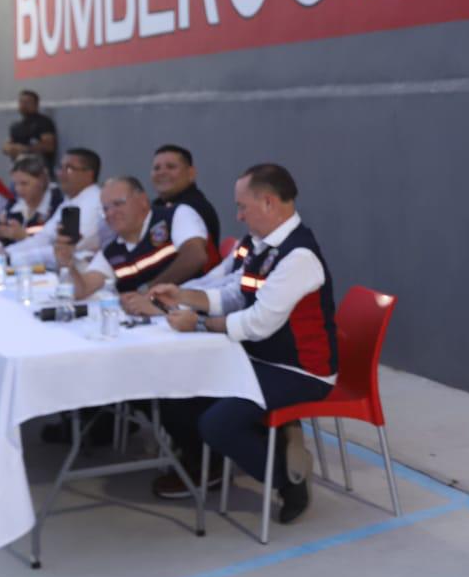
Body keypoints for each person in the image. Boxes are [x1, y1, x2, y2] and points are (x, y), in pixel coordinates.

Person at [148, 164, 335, 523]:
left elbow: (257, 323)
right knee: (178, 395)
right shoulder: (260, 245)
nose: (238, 215)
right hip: (260, 358)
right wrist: (183, 294)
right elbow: (235, 293)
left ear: (267, 203)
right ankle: (220, 462)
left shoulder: (298, 257)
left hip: (299, 371)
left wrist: (198, 323)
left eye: (242, 207)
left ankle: (288, 478)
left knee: (218, 423)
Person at [53, 176, 208, 302]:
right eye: (105, 208)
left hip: (191, 315)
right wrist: (67, 264)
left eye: (118, 204)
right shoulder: (112, 250)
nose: (111, 213)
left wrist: (148, 292)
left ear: (142, 200)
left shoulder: (175, 215)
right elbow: (82, 290)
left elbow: (195, 256)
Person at [0, 148, 103, 268]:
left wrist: (8, 257)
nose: (61, 174)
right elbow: (42, 239)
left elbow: (67, 249)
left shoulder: (93, 203)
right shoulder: (71, 201)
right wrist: (1, 254)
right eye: (60, 168)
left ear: (89, 174)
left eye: (68, 169)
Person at [148, 144, 222, 273]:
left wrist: (147, 289)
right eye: (156, 168)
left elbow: (194, 259)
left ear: (191, 173)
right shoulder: (155, 207)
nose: (162, 172)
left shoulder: (194, 208)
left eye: (171, 167)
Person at [0, 154, 63, 239]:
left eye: (24, 183)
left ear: (41, 180)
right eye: (15, 184)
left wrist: (23, 237)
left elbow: (52, 243)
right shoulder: (12, 206)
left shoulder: (58, 205)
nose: (18, 189)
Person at [3, 89, 57, 171]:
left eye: (27, 102)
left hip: (38, 170)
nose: (23, 105)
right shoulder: (16, 125)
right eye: (21, 102)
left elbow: (49, 146)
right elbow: (7, 145)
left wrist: (25, 149)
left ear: (36, 104)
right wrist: (9, 148)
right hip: (18, 169)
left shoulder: (44, 122)